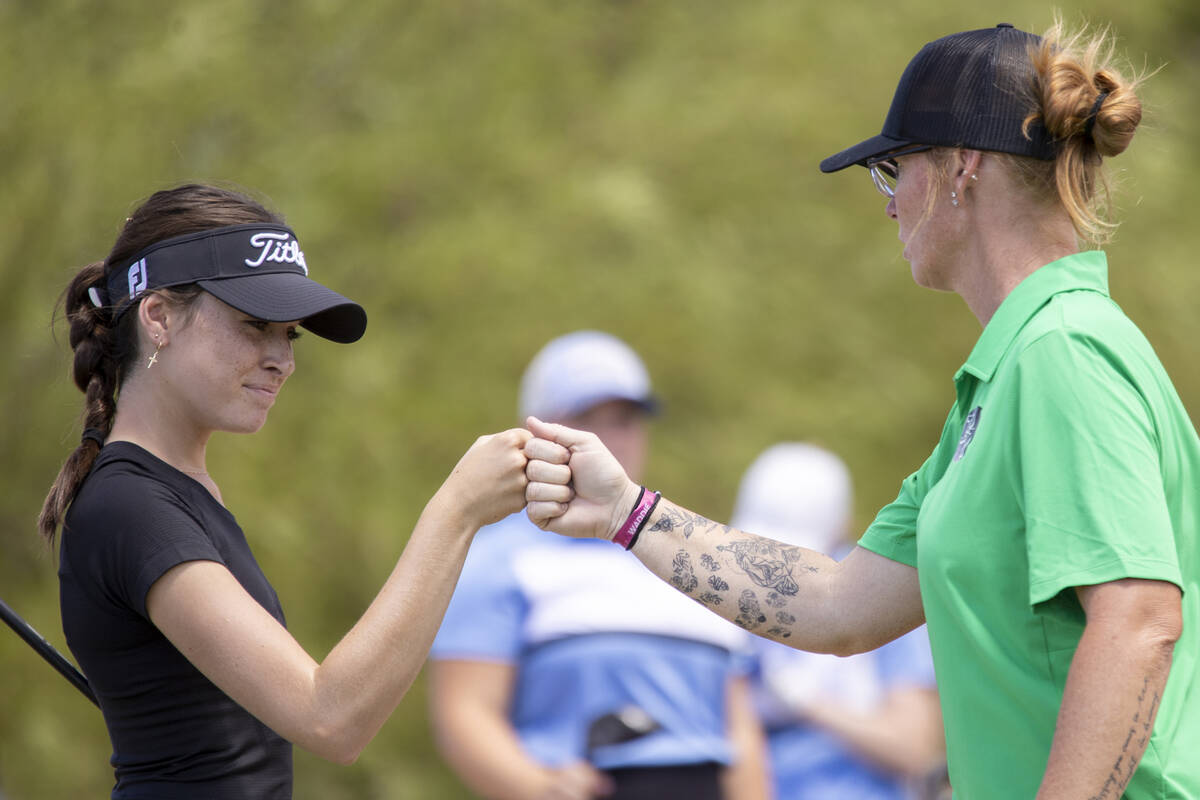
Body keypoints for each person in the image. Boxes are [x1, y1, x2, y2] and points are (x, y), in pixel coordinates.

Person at [520, 21, 1200, 800]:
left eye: (890, 168)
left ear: (962, 167)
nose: (888, 203)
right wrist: (626, 511)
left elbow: (1138, 621)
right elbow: (838, 607)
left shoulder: (1063, 351)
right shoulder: (1007, 378)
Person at [39, 183, 533, 798]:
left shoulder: (180, 492)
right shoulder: (129, 506)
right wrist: (456, 512)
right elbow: (330, 717)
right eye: (254, 326)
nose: (283, 359)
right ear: (159, 316)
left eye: (290, 335)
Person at [428, 331, 770, 800]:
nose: (607, 439)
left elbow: (739, 729)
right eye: (587, 418)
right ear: (537, 431)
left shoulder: (690, 552)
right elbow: (464, 713)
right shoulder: (497, 557)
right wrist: (537, 787)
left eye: (625, 419)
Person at [733, 443, 944, 800]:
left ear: (843, 530)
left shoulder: (881, 601)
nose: (773, 577)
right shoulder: (729, 595)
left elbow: (915, 748)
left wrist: (810, 703)